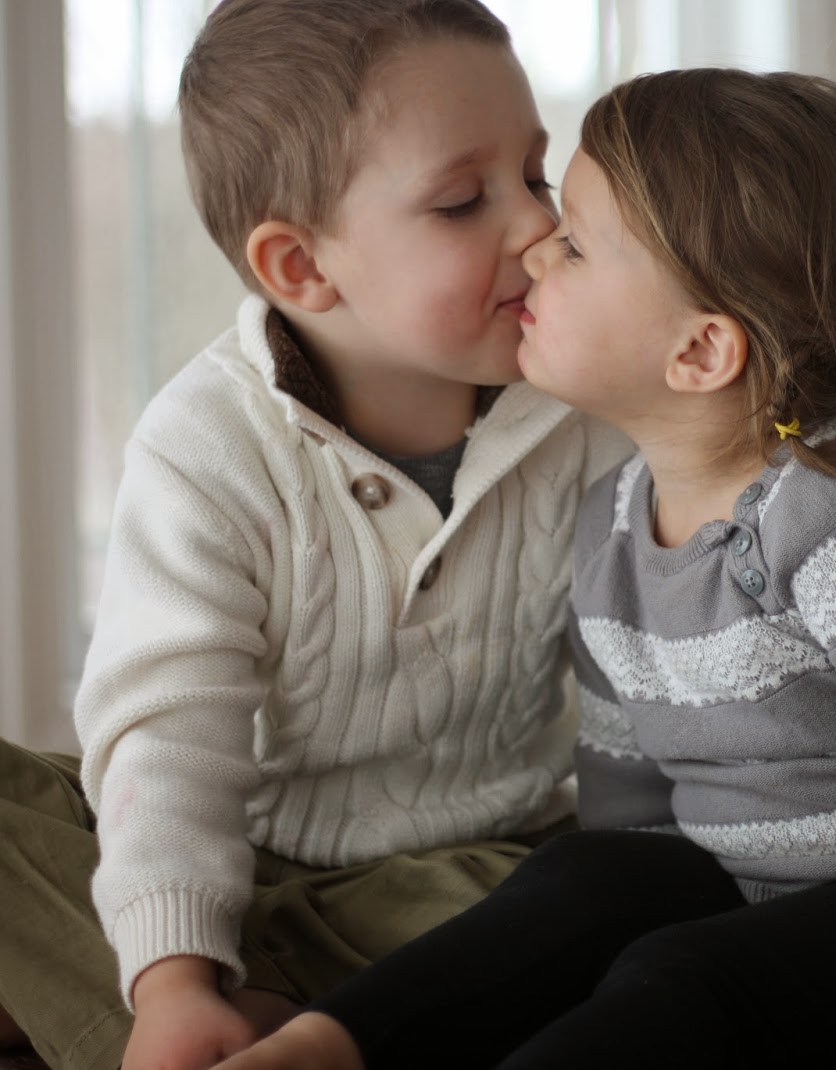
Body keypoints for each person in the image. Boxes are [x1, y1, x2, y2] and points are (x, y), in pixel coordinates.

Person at [217, 68, 836, 1070]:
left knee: (683, 974)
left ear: (701, 351)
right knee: (582, 878)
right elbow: (631, 812)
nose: (534, 248)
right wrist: (593, 935)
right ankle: (323, 1048)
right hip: (751, 912)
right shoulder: (614, 524)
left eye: (574, 244)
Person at [0, 2, 631, 1069]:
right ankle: (207, 1012)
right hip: (243, 852)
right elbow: (169, 734)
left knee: (620, 887)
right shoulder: (206, 443)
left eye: (536, 175)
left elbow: (647, 691)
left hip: (472, 870)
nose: (537, 226)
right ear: (299, 267)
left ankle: (229, 1013)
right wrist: (172, 976)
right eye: (463, 200)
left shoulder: (586, 414)